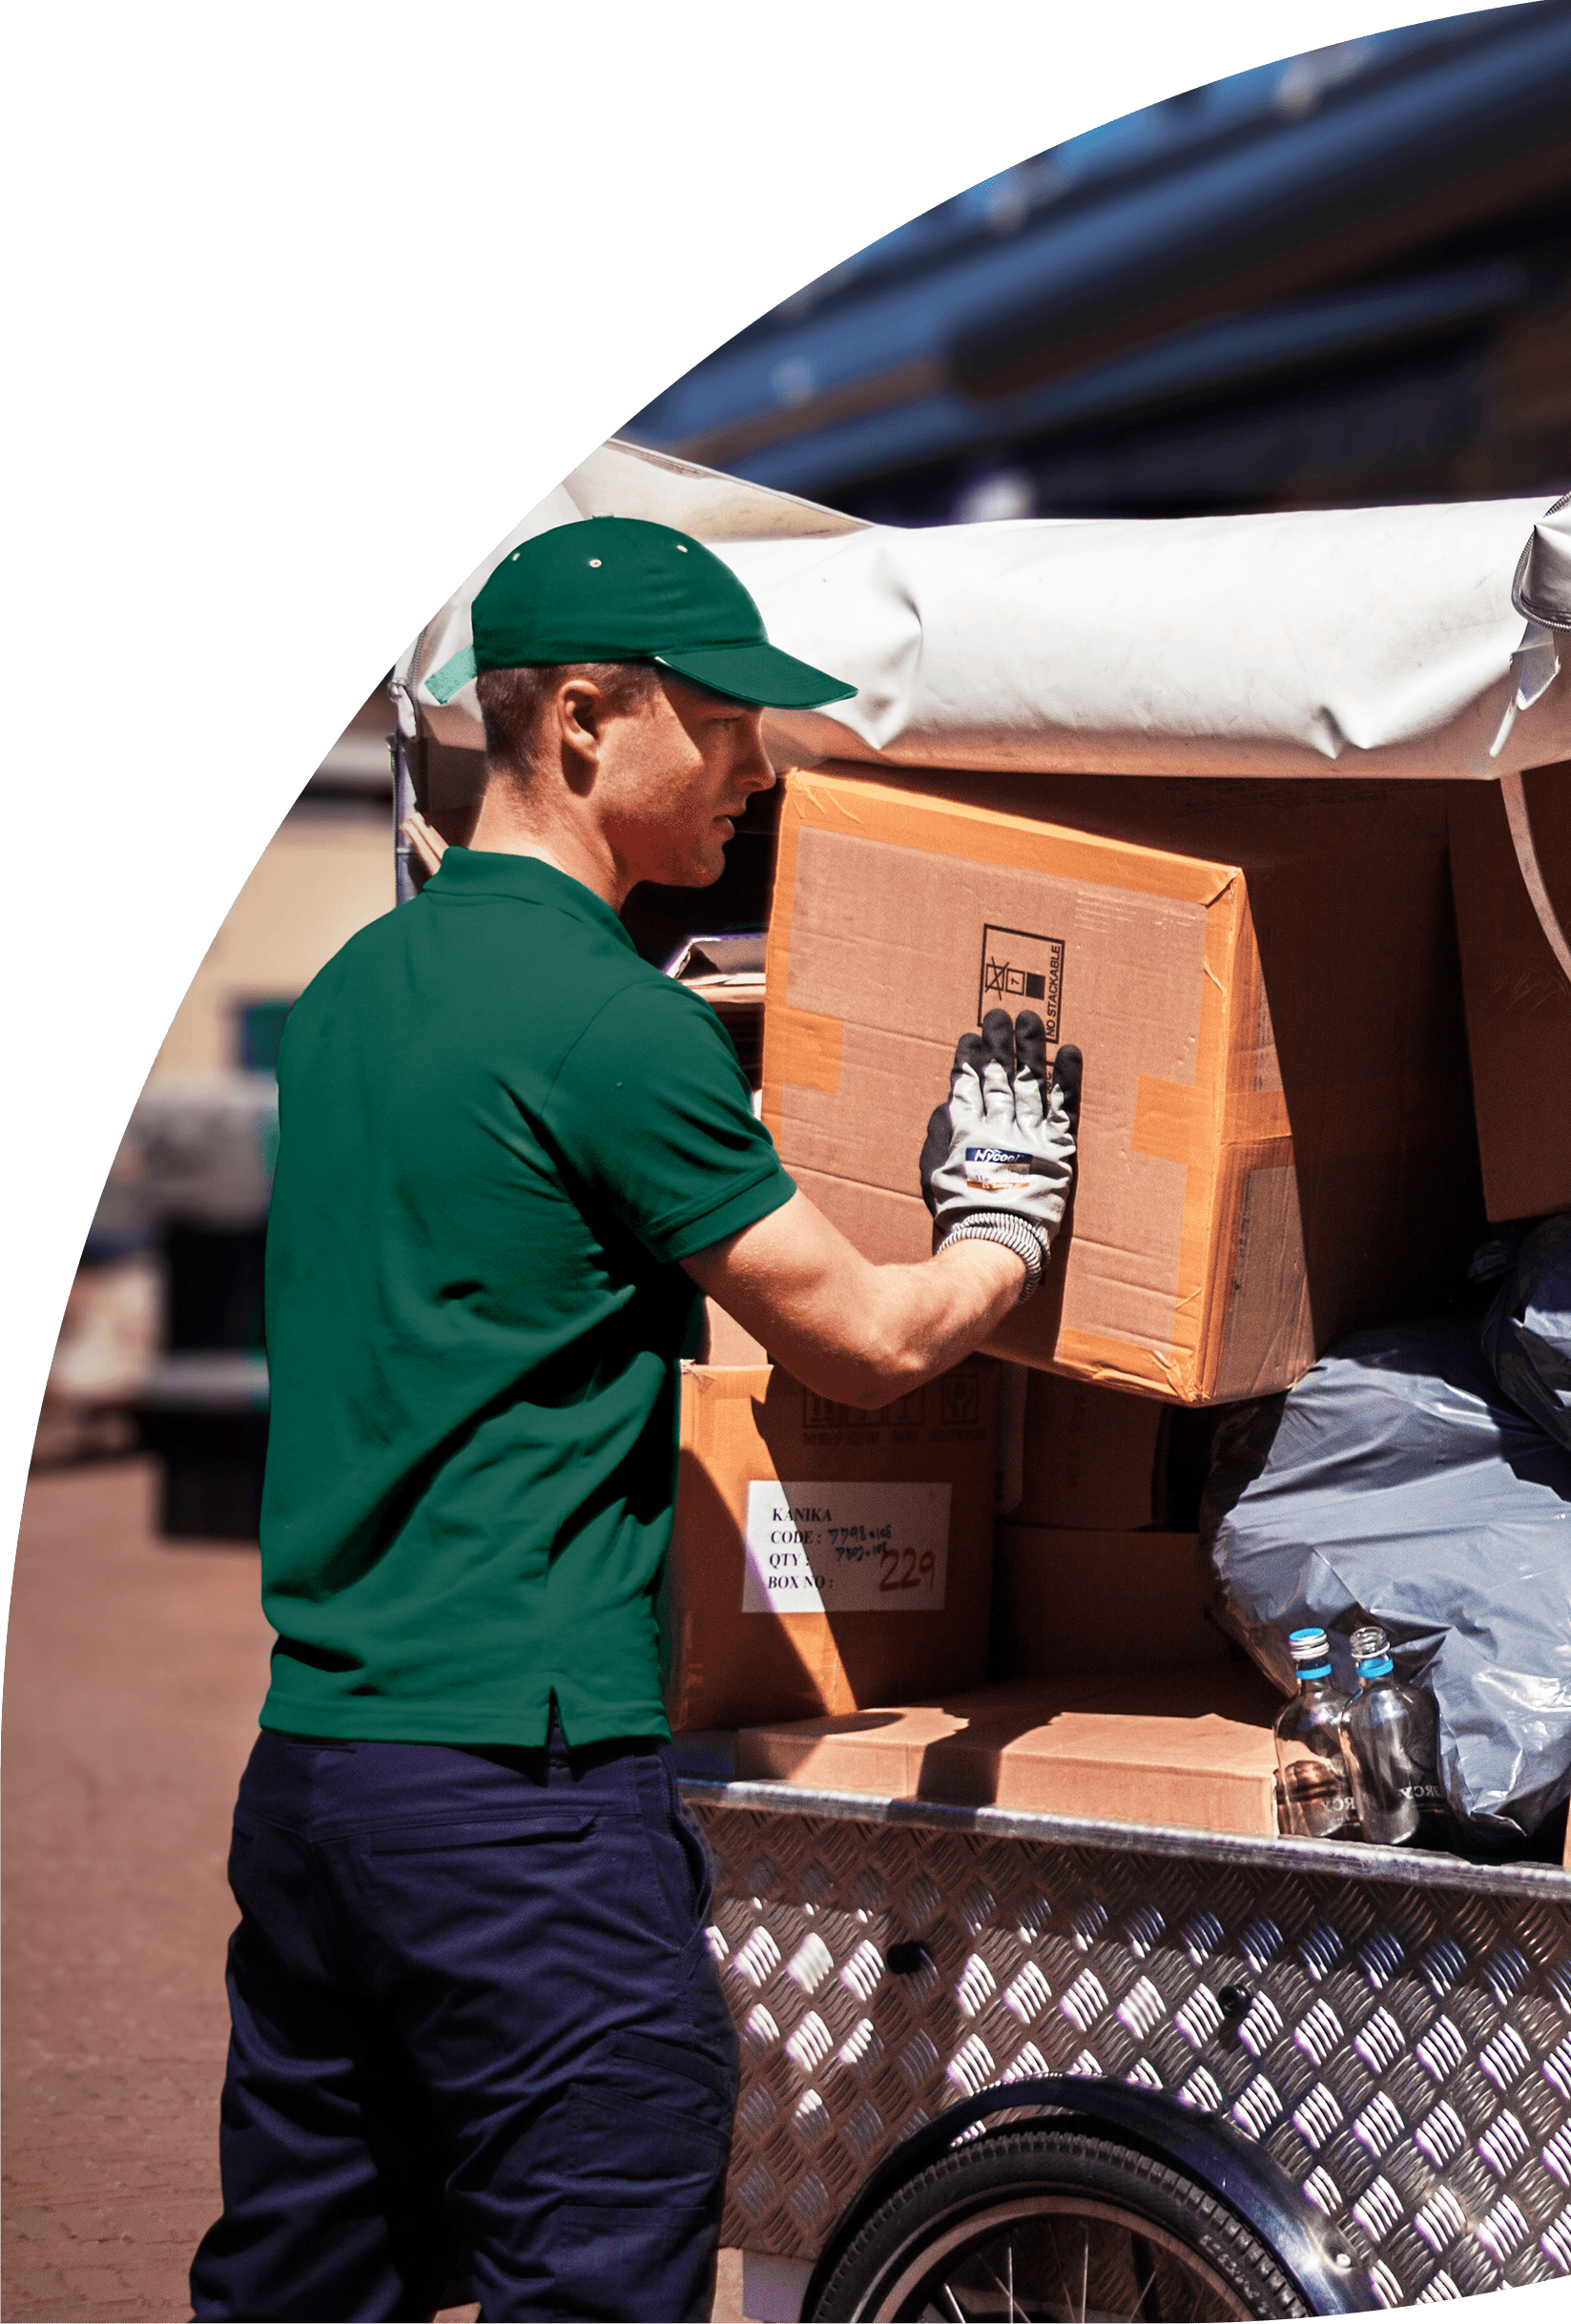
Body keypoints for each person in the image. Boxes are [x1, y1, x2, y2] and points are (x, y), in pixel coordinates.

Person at [189, 517, 1081, 2324]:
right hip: (519, 1799)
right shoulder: (611, 1029)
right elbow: (860, 1341)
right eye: (726, 714)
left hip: (319, 1778)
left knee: (300, 2283)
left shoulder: (357, 995)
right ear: (585, 721)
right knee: (594, 2267)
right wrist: (1000, 1228)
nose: (758, 760)